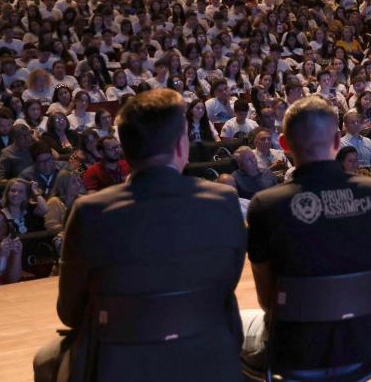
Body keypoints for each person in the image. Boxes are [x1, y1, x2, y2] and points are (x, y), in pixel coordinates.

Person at [33, 88, 246, 382]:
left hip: (117, 366)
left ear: (125, 149)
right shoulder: (223, 202)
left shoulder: (90, 212)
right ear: (181, 145)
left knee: (44, 359)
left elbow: (69, 312)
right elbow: (225, 286)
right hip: (210, 360)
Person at [242, 95, 371, 376]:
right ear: (338, 140)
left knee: (232, 323)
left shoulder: (265, 206)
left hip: (294, 354)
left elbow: (268, 302)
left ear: (284, 144)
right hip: (364, 349)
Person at [340, 110, 371, 176]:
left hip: (368, 177)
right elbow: (339, 167)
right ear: (346, 126)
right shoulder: (341, 143)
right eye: (352, 122)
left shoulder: (368, 141)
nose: (356, 124)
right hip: (349, 178)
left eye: (357, 121)